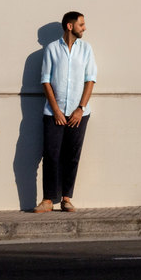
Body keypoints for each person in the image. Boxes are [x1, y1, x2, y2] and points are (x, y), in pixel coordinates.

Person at [34, 11, 98, 213]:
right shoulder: (52, 49)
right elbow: (45, 80)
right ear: (70, 26)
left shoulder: (86, 49)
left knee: (72, 156)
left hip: (79, 113)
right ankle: (47, 200)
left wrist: (80, 109)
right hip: (54, 113)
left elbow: (90, 80)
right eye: (81, 24)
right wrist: (56, 110)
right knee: (51, 155)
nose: (84, 28)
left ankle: (66, 198)